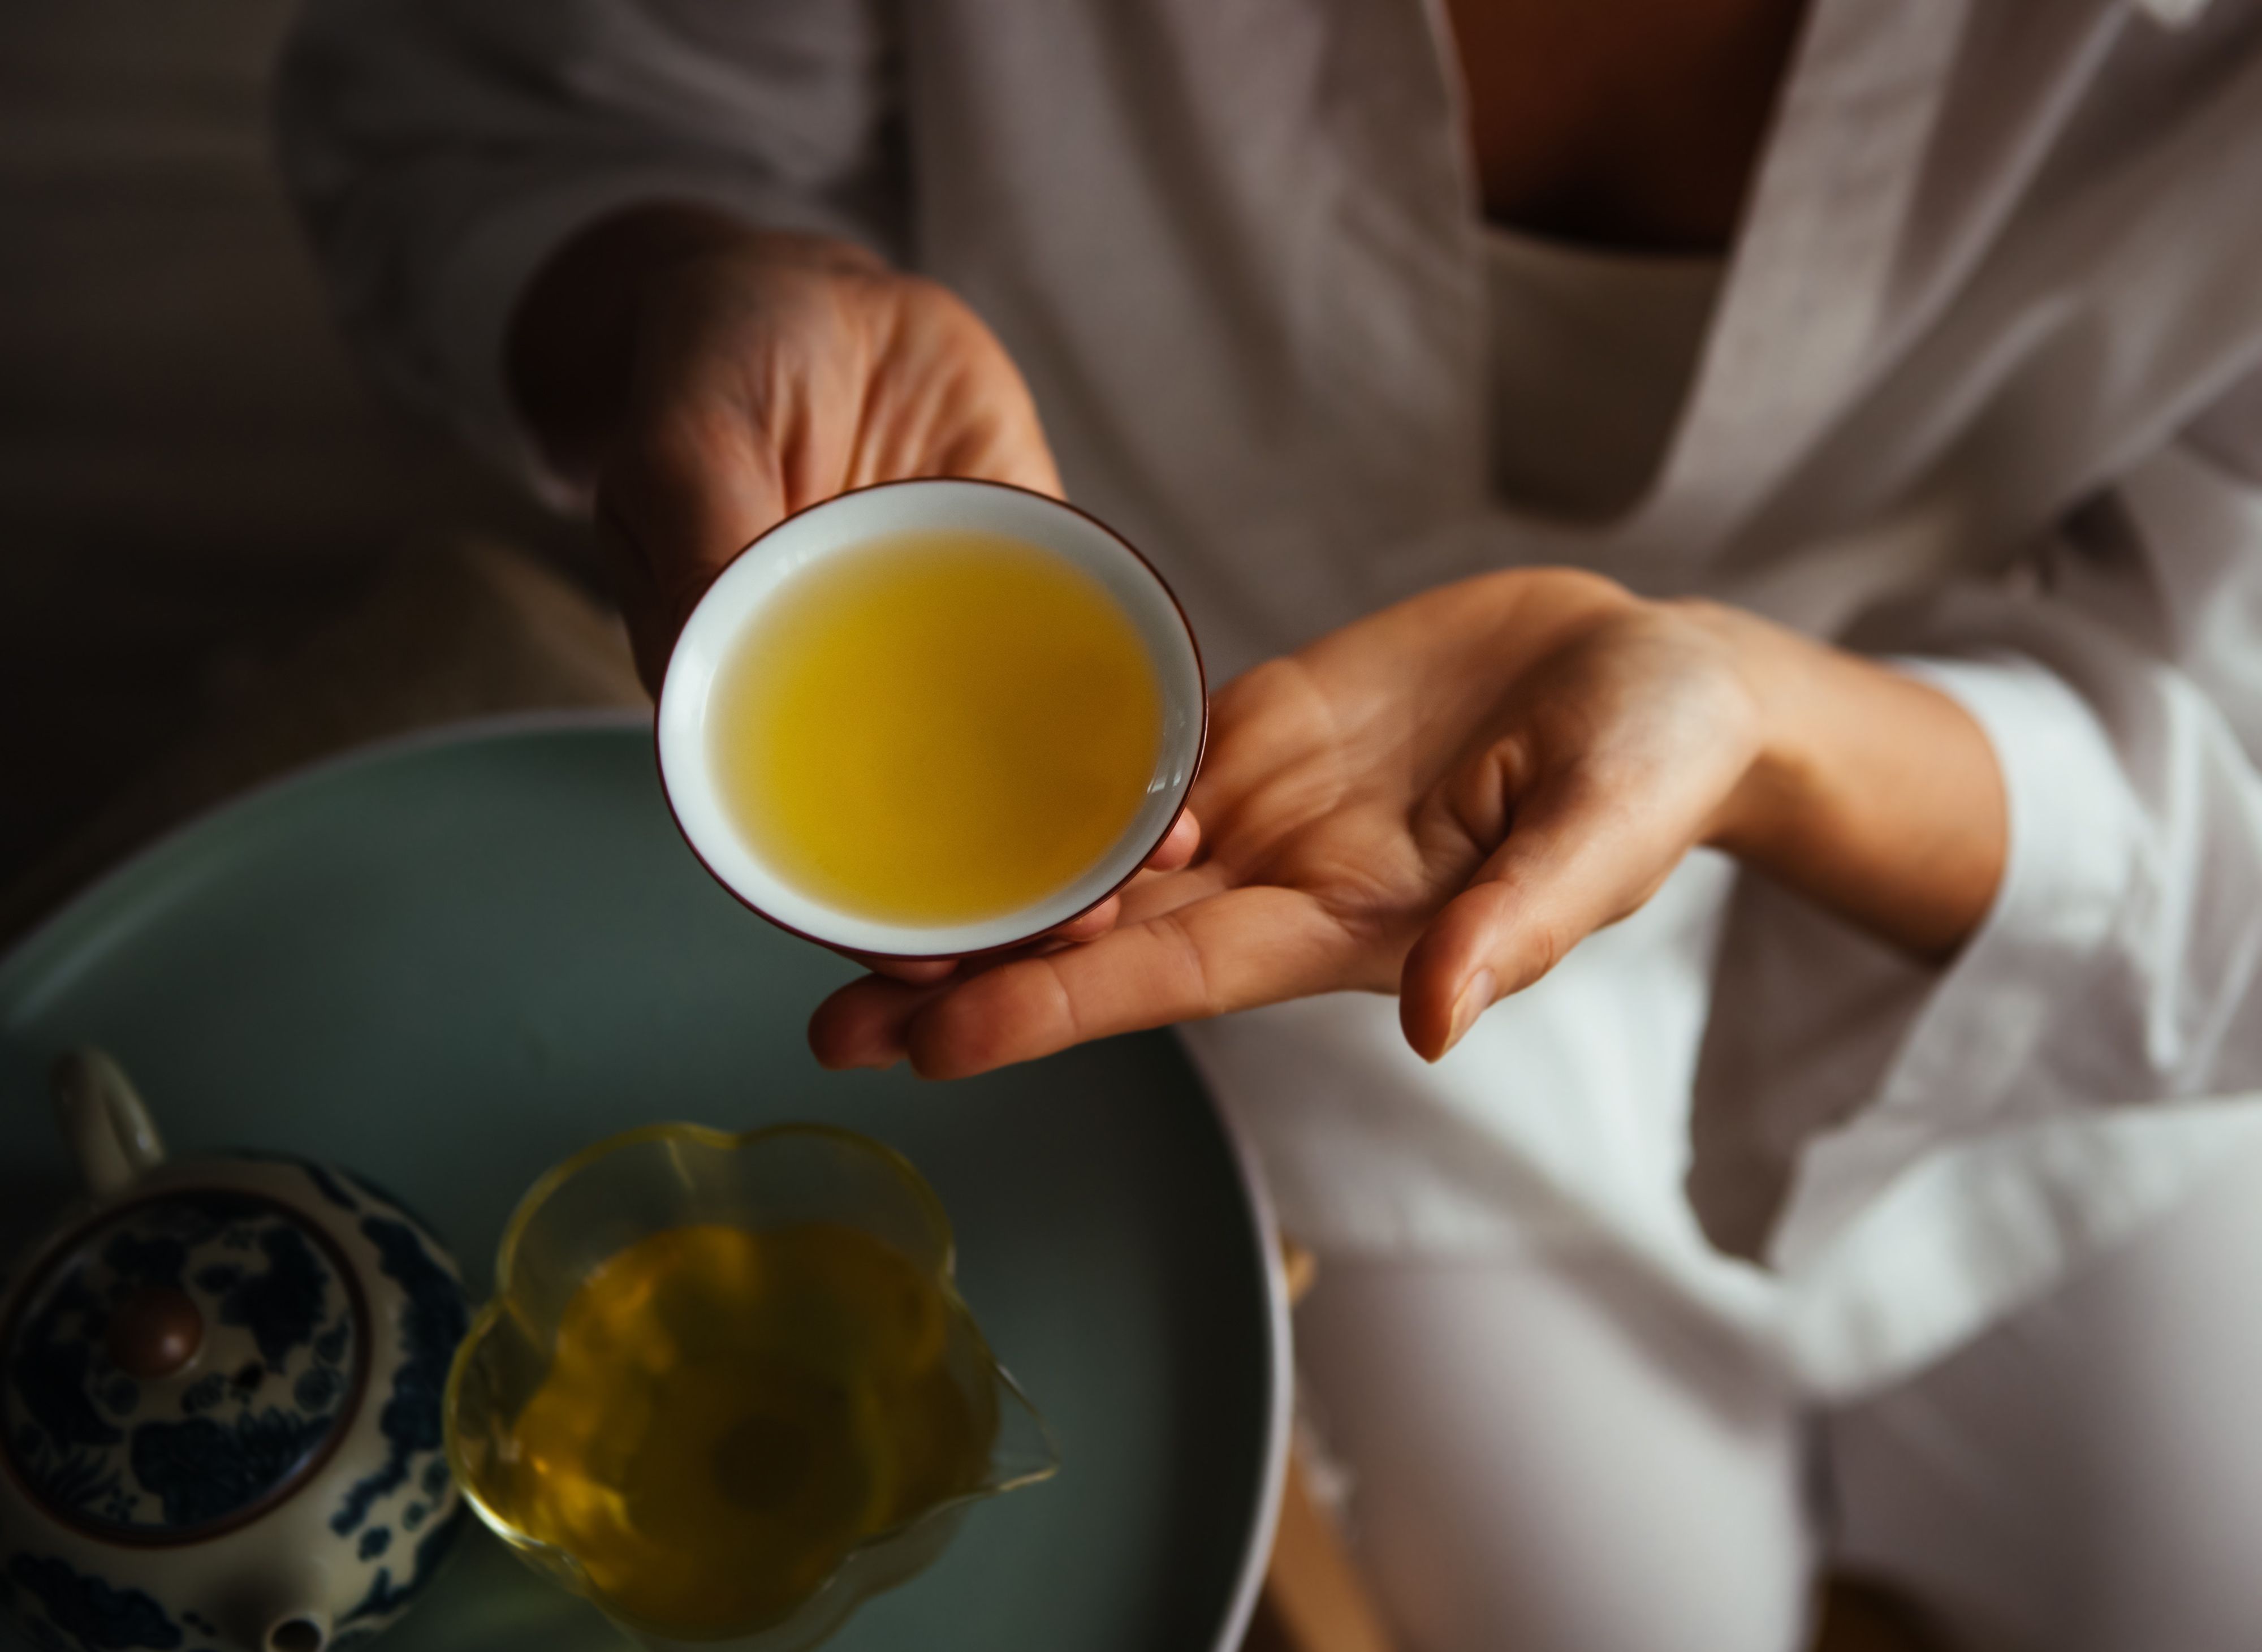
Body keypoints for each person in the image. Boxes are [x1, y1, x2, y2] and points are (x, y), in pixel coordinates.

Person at [277, 1, 2262, 1646]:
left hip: (2026, 808)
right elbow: (514, 104)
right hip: (1281, 887)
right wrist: (691, 281)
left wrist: (1766, 736)